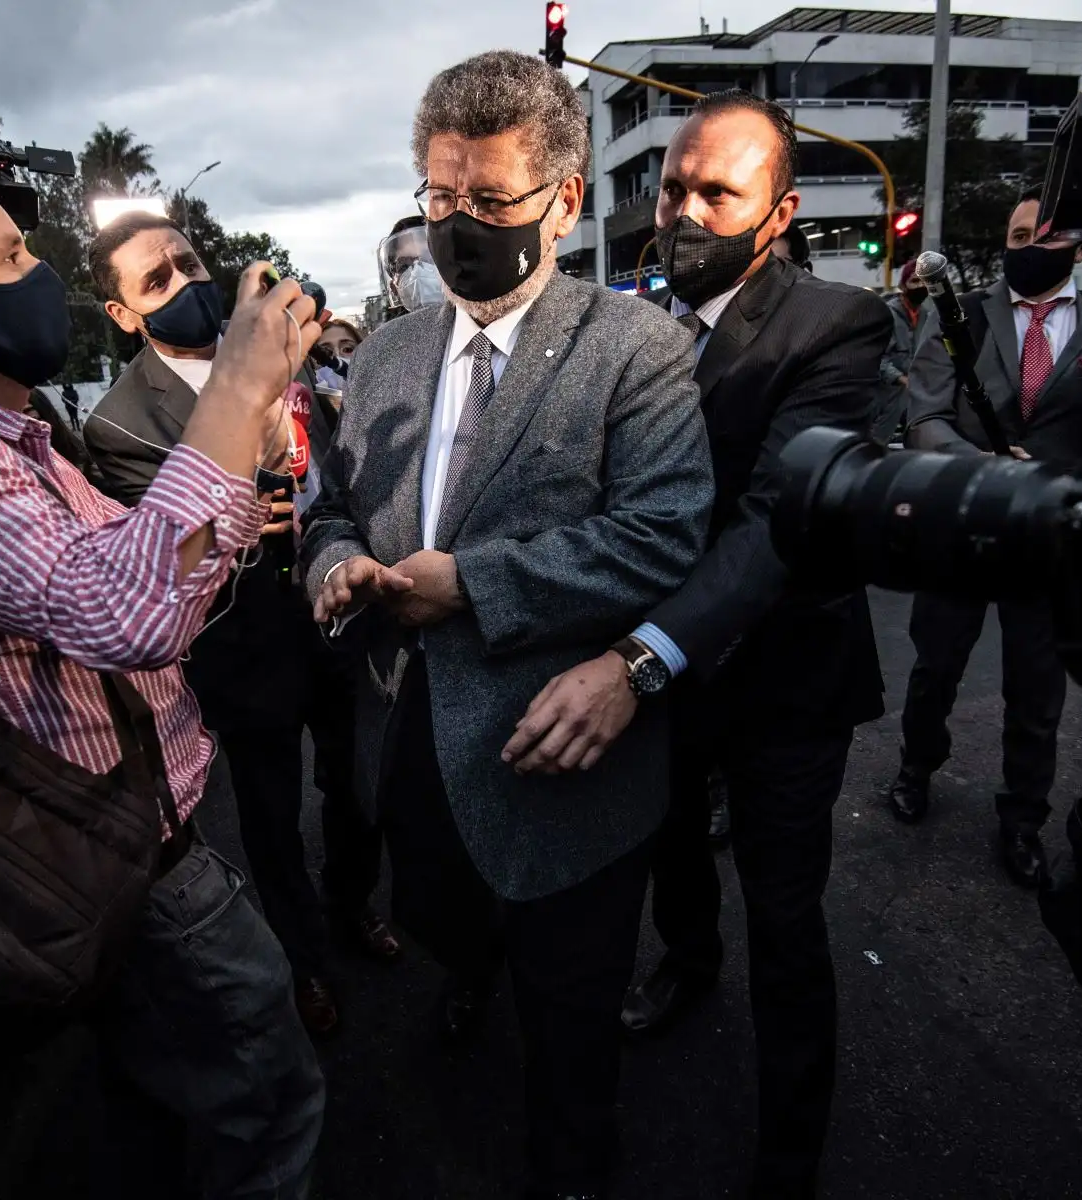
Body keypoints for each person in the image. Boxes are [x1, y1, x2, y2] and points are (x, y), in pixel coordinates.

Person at [0, 153, 326, 1197]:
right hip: (124, 869)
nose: (35, 272)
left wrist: (250, 453)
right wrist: (235, 387)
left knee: (169, 1123)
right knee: (265, 1108)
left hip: (125, 851)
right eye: (7, 253)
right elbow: (128, 613)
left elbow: (157, 587)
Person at [303, 49, 713, 1200]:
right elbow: (331, 504)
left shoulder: (637, 349)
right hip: (413, 742)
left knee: (570, 1022)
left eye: (491, 200)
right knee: (445, 916)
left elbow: (662, 534)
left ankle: (573, 1168)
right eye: (440, 198)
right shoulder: (381, 354)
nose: (459, 224)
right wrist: (334, 559)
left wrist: (471, 583)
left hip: (562, 761)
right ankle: (467, 968)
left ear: (566, 200)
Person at [501, 89, 891, 1198]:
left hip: (782, 683)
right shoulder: (643, 327)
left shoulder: (834, 324)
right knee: (673, 854)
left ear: (779, 212)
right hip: (670, 683)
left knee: (784, 913)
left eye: (718, 192)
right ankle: (687, 965)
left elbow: (777, 519)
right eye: (674, 188)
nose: (684, 211)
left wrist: (640, 661)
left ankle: (790, 1146)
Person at [81, 211, 398, 1037]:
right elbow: (153, 556)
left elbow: (333, 472)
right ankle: (303, 961)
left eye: (189, 262)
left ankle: (353, 907)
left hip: (333, 620)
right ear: (123, 315)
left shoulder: (283, 355)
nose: (187, 283)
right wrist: (220, 512)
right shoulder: (116, 421)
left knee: (356, 788)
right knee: (271, 818)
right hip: (241, 652)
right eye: (157, 280)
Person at [894, 182, 1082, 887]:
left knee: (1037, 688)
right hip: (963, 524)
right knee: (935, 664)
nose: (1027, 247)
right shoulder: (959, 315)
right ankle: (916, 768)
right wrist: (991, 469)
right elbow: (925, 419)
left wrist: (1073, 492)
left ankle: (1023, 818)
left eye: (1044, 235)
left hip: (1052, 540)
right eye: (1016, 236)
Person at [872, 258, 928, 444]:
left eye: (924, 281)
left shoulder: (925, 316)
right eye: (914, 281)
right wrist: (902, 379)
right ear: (903, 286)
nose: (920, 286)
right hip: (887, 395)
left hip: (914, 397)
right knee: (876, 444)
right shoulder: (887, 314)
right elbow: (878, 358)